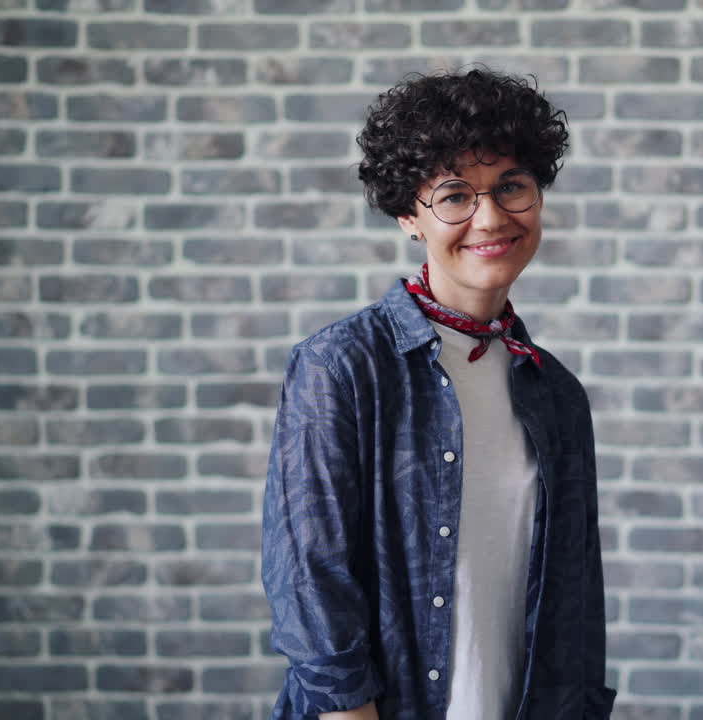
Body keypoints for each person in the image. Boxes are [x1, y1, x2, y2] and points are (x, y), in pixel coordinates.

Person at [262, 68, 616, 720]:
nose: (490, 217)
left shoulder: (556, 395)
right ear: (407, 215)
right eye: (454, 195)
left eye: (512, 186)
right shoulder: (342, 368)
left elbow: (577, 607)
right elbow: (310, 585)